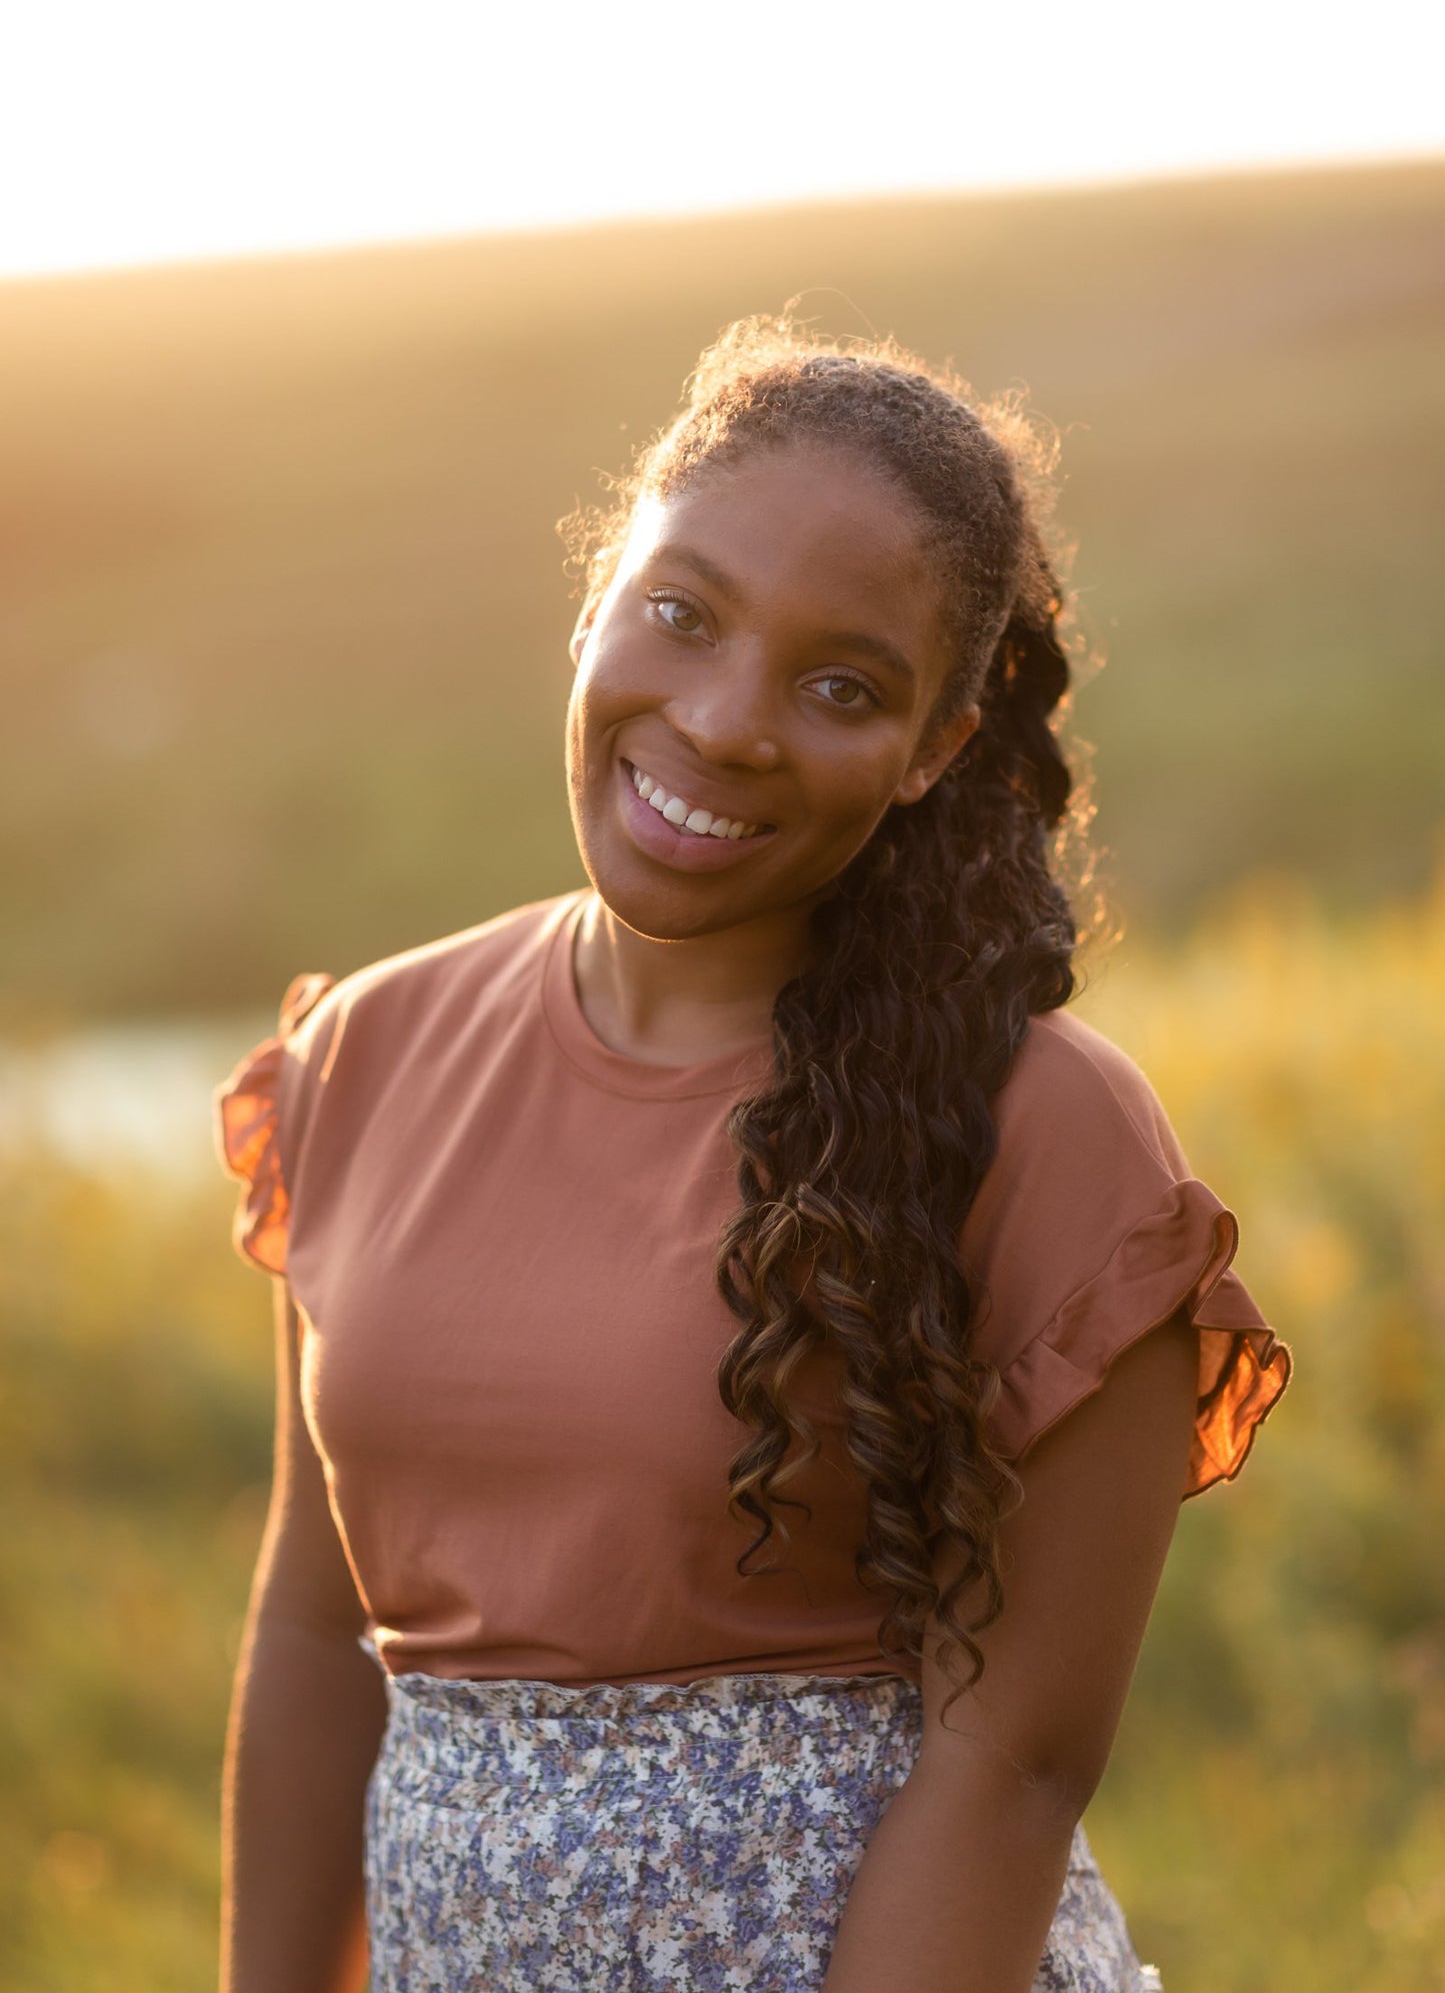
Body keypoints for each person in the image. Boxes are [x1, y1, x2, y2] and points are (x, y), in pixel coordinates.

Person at [215, 318, 1291, 1993]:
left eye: (840, 683)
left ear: (935, 748)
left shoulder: (1043, 1137)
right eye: (681, 614)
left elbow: (1010, 1774)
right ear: (594, 604)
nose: (723, 722)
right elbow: (314, 1632)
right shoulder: (365, 1050)